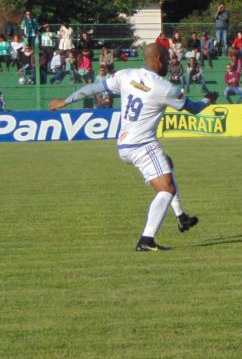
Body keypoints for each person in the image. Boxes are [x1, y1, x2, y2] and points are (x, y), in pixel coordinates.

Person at [49, 44, 217, 251]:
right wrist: (208, 99)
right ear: (157, 58)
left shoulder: (126, 75)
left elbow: (95, 88)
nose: (169, 62)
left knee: (167, 163)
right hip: (143, 145)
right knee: (167, 190)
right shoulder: (164, 88)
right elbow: (194, 108)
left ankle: (181, 216)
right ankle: (147, 240)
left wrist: (65, 101)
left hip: (125, 144)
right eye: (166, 58)